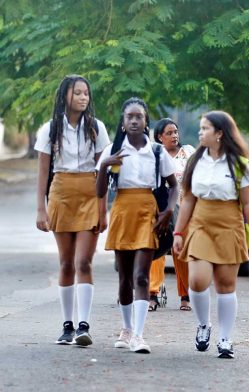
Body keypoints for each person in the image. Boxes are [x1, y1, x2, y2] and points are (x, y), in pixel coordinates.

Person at [172, 110, 249, 358]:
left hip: (229, 225)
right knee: (197, 280)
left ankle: (225, 338)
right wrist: (179, 231)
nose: (200, 133)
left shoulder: (239, 164)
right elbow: (187, 200)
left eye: (205, 129)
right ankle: (203, 325)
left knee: (225, 284)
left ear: (220, 133)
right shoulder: (195, 161)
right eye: (200, 128)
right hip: (200, 223)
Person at [96, 97, 178, 353]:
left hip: (148, 213)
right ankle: (126, 328)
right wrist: (103, 168)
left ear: (145, 122)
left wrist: (167, 211)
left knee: (141, 276)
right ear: (123, 122)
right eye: (129, 116)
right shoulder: (113, 150)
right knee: (124, 277)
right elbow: (99, 191)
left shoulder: (156, 151)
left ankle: (139, 336)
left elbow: (174, 185)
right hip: (122, 210)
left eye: (138, 116)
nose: (134, 120)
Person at [35, 75, 110, 346]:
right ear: (64, 96)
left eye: (86, 93)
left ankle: (83, 325)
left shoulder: (96, 128)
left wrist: (103, 210)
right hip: (61, 192)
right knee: (66, 263)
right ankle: (67, 325)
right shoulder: (50, 129)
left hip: (90, 191)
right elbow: (43, 171)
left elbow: (104, 172)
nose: (83, 97)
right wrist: (40, 210)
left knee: (84, 262)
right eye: (77, 93)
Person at [148, 118, 196, 311]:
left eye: (176, 132)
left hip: (184, 208)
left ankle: (185, 296)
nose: (174, 135)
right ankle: (152, 294)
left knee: (180, 249)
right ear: (160, 137)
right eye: (169, 133)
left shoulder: (189, 152)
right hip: (160, 207)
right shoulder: (154, 153)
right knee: (156, 250)